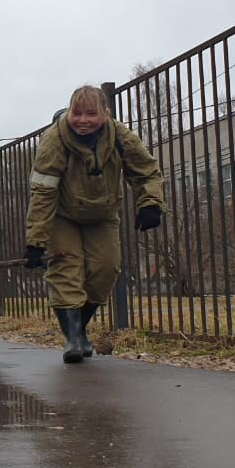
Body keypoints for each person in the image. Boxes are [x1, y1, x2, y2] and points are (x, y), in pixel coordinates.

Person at [24, 85, 164, 363]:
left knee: (106, 269)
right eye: (77, 113)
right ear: (69, 112)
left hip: (102, 215)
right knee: (67, 271)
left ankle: (80, 328)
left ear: (105, 113)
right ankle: (73, 339)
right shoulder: (54, 140)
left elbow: (146, 172)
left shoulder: (120, 136)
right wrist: (35, 240)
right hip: (63, 216)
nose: (83, 120)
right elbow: (43, 191)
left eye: (91, 113)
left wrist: (150, 204)